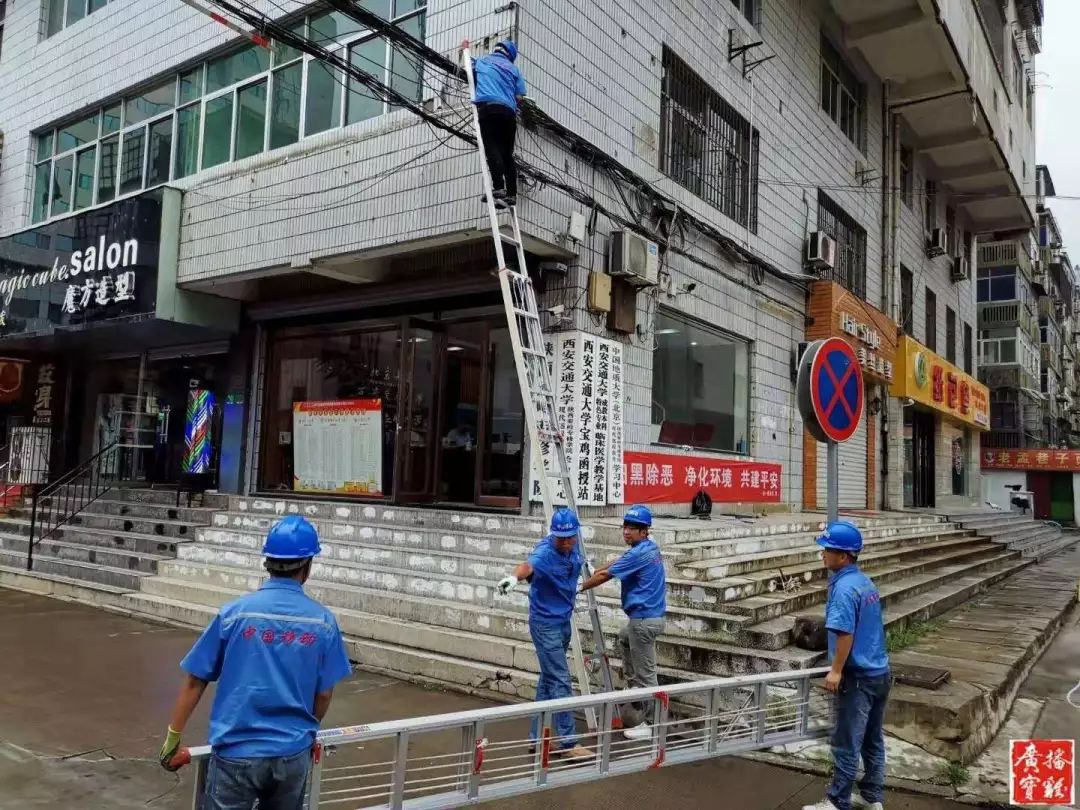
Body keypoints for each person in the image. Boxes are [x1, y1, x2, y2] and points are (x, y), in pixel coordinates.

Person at [158, 515, 352, 809]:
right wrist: (305, 731)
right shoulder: (322, 621)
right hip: (292, 753)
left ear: (268, 563)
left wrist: (173, 739)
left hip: (236, 753)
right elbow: (324, 693)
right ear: (308, 566)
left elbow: (196, 679)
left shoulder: (234, 614)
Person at [802, 521, 891, 810]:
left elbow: (844, 632)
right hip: (879, 671)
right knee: (872, 740)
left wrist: (836, 669)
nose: (823, 555)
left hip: (857, 676)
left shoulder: (843, 589)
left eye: (828, 550)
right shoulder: (865, 582)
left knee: (846, 742)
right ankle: (871, 796)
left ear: (843, 556)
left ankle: (838, 801)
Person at [495, 507, 593, 761]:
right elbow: (528, 566)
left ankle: (536, 738)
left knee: (548, 680)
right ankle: (568, 742)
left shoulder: (573, 548)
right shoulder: (545, 552)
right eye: (560, 537)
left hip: (562, 622)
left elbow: (577, 564)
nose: (564, 541)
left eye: (569, 537)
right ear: (553, 534)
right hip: (545, 624)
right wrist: (514, 578)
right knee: (560, 680)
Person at [579, 504, 666, 741]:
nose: (627, 531)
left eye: (634, 527)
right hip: (647, 620)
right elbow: (617, 562)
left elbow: (608, 575)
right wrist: (594, 569)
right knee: (624, 637)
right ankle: (632, 684)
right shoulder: (647, 548)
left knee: (648, 676)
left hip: (643, 621)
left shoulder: (639, 554)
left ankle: (650, 724)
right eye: (626, 526)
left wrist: (577, 587)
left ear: (644, 530)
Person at [472, 40, 526, 208]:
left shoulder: (481, 62)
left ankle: (499, 188)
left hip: (488, 110)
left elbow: (471, 72)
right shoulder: (514, 69)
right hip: (508, 114)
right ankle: (511, 194)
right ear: (510, 55)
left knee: (492, 147)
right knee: (507, 154)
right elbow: (519, 97)